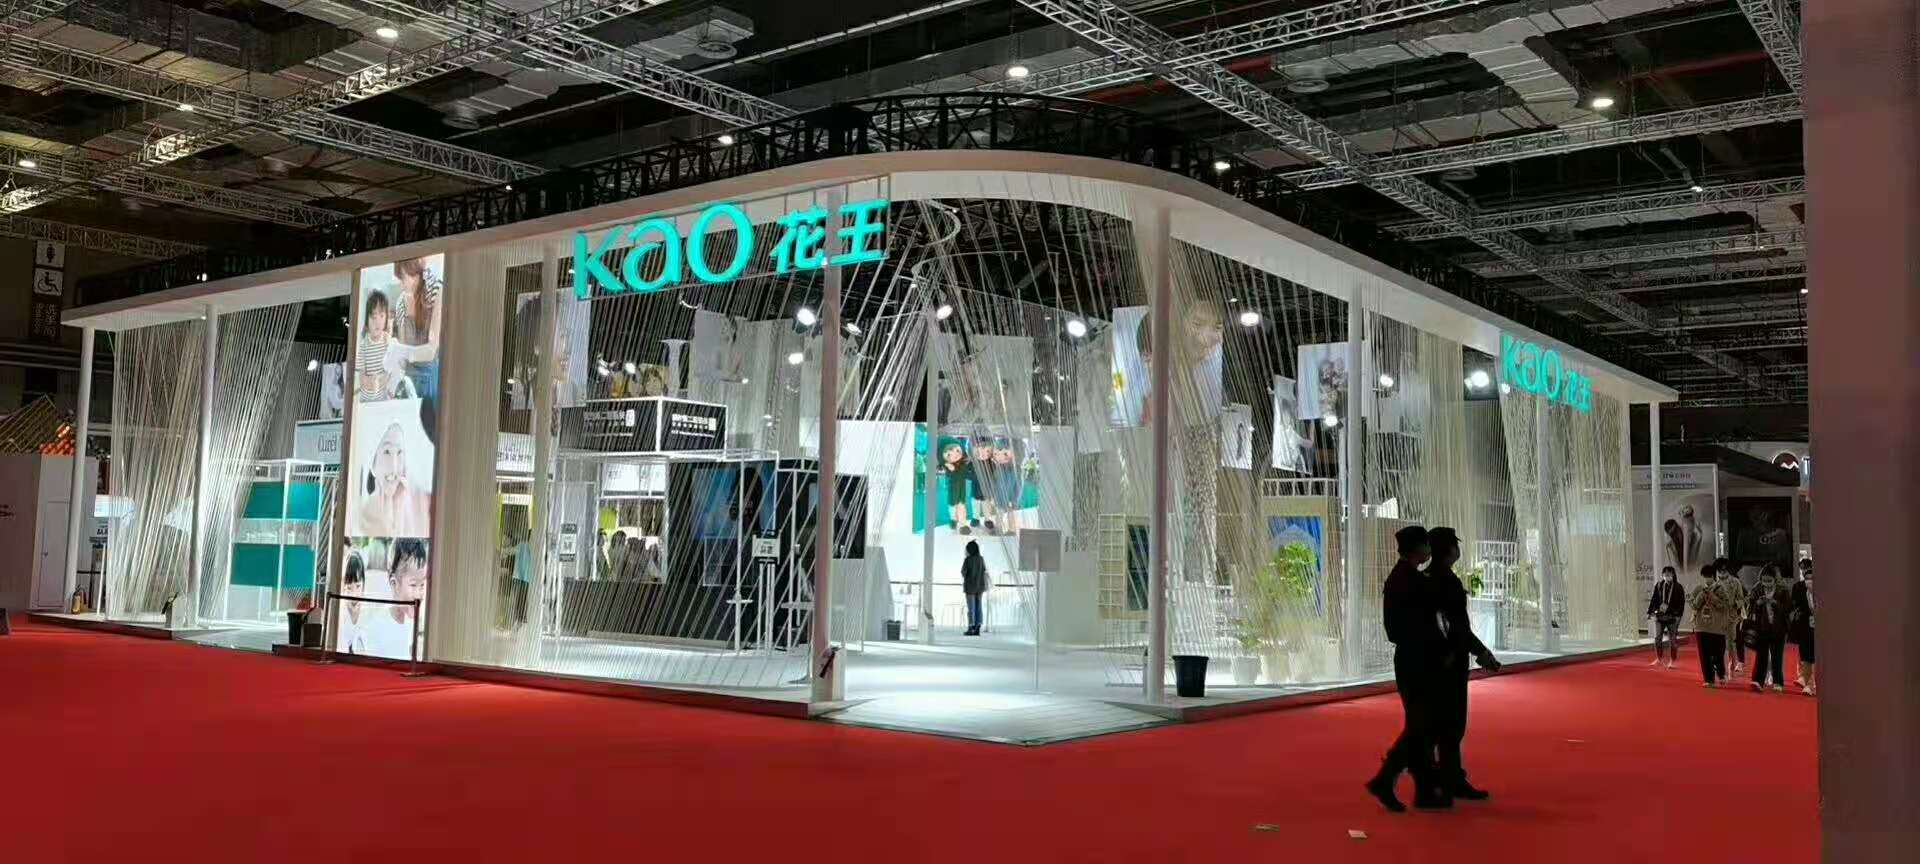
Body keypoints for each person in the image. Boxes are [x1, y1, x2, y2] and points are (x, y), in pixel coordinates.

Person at [1366, 525, 1449, 812]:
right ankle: (1386, 778)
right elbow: (1413, 626)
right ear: (1418, 548)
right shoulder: (1409, 581)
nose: (1429, 550)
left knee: (1421, 725)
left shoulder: (1401, 578)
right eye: (1426, 545)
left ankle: (1423, 789)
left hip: (1412, 658)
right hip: (1417, 660)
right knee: (1421, 725)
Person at [1426, 527, 1502, 802]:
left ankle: (1439, 776)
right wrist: (1481, 652)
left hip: (1431, 661)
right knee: (1452, 722)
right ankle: (1449, 778)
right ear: (1449, 550)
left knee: (1436, 721)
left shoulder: (1425, 579)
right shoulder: (1447, 582)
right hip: (1450, 661)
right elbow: (1458, 627)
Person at [355, 422, 433, 537]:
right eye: (387, 452)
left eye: (400, 452)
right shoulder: (365, 517)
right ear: (373, 463)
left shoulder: (420, 506)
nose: (394, 465)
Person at [1744, 564, 1792, 692]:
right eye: (1764, 580)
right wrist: (1758, 604)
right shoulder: (1757, 589)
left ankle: (1778, 682)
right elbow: (1750, 606)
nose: (1766, 583)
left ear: (1775, 580)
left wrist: (1775, 604)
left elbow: (1788, 608)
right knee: (1761, 656)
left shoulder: (1783, 590)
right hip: (1762, 627)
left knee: (1777, 656)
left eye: (1769, 581)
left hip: (1779, 628)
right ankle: (1758, 681)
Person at [1647, 566, 1686, 668]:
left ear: (1673, 575)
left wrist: (1678, 616)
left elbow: (1681, 604)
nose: (1667, 576)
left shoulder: (1678, 587)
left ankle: (1673, 661)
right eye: (1665, 574)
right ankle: (1659, 659)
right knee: (1657, 638)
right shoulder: (1659, 585)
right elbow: (1654, 599)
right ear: (1662, 575)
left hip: (1672, 617)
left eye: (1669, 574)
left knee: (1672, 640)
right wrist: (1650, 612)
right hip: (1660, 616)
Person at [1715, 559, 1748, 674]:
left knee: (1735, 640)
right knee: (1720, 641)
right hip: (1719, 616)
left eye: (1724, 569)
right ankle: (1723, 662)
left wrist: (1736, 604)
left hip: (1734, 616)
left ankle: (1737, 662)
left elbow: (1742, 598)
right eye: (1720, 570)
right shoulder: (1715, 583)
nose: (1722, 572)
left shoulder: (1735, 582)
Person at [1790, 559, 1815, 696]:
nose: (1809, 580)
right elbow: (1795, 605)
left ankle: (1811, 682)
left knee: (1814, 656)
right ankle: (1806, 681)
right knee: (1805, 654)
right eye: (1806, 578)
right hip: (1804, 625)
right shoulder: (1798, 587)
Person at [938, 442, 972, 534]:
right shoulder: (948, 466)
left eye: (957, 450)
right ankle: (953, 519)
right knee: (953, 505)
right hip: (953, 489)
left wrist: (955, 469)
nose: (955, 454)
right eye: (949, 454)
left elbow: (965, 473)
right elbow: (950, 476)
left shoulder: (963, 464)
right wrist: (951, 469)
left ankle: (963, 524)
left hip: (961, 489)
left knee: (961, 505)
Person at [991, 440, 1021, 535]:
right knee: (999, 512)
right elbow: (995, 483)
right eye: (996, 454)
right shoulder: (998, 468)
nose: (1000, 457)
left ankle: (1012, 530)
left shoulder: (1016, 470)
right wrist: (993, 496)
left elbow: (1018, 485)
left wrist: (1015, 499)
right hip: (999, 497)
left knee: (1010, 513)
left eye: (1004, 453)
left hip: (1010, 498)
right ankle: (998, 528)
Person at [961, 540, 988, 636]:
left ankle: (971, 627)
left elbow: (963, 572)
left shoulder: (967, 560)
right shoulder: (981, 559)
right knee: (978, 607)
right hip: (980, 586)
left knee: (971, 608)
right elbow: (984, 570)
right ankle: (978, 627)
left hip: (970, 587)